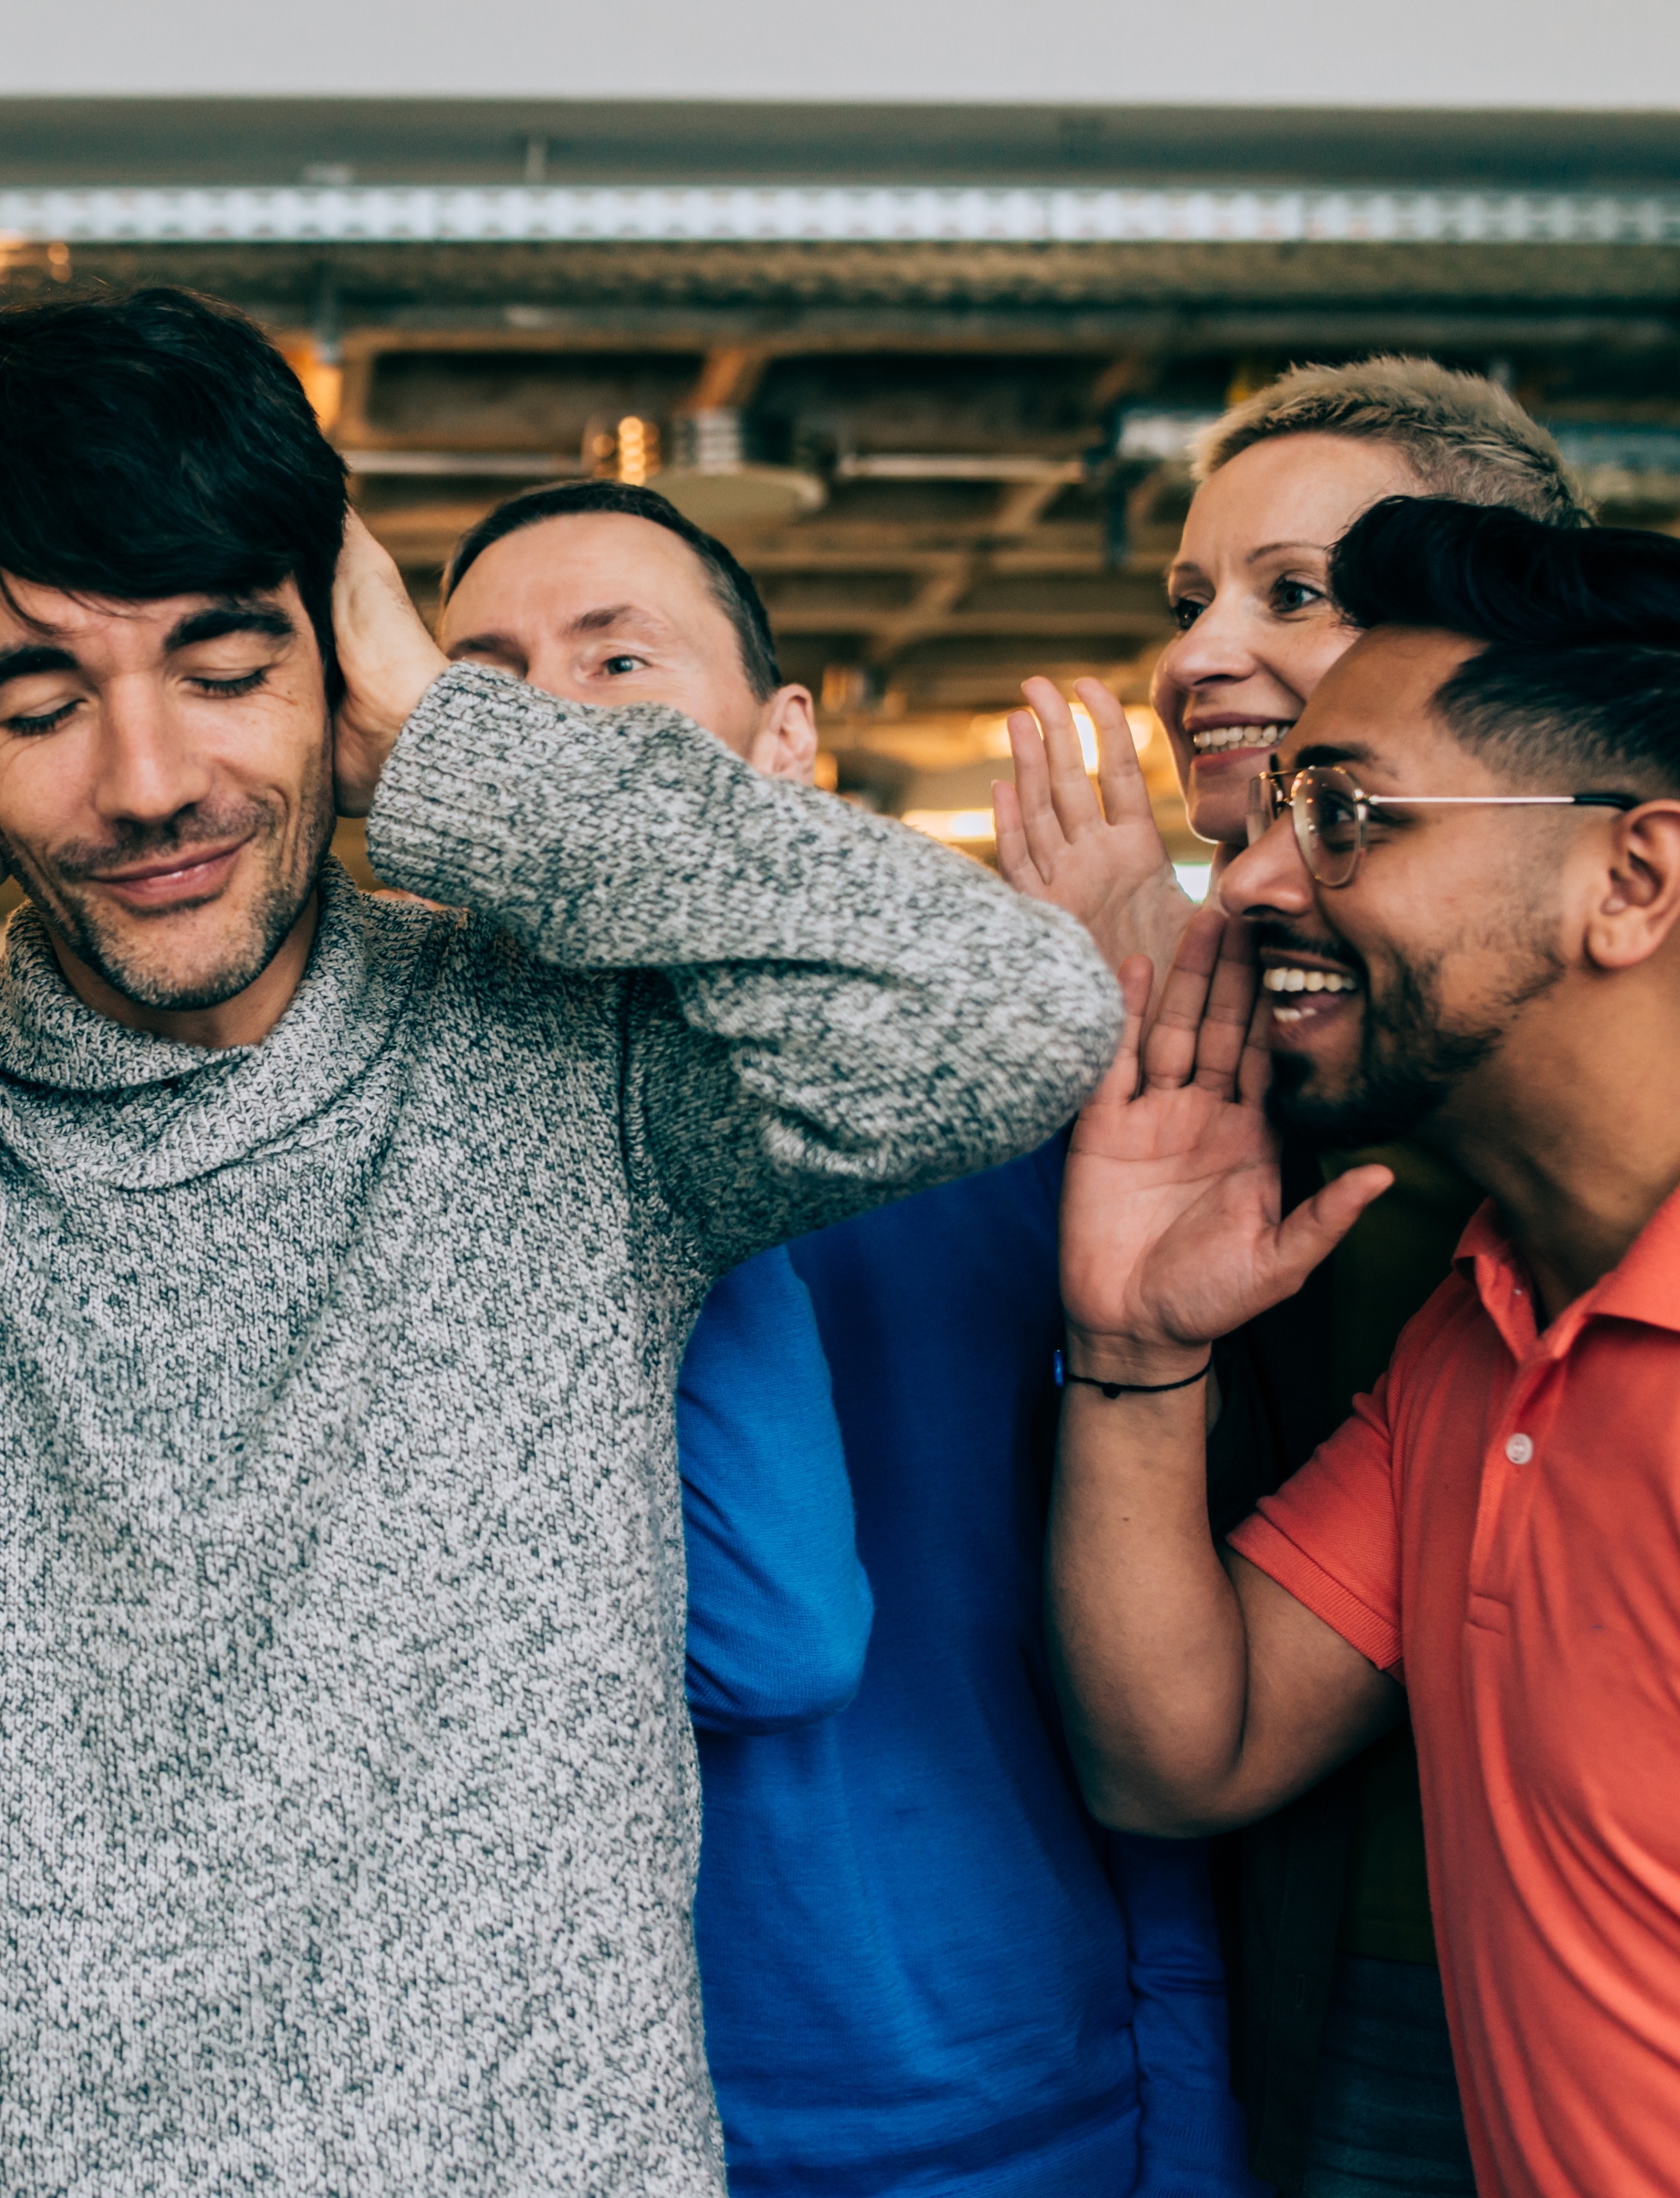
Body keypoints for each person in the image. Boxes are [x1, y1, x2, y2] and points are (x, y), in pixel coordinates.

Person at [0, 284, 1121, 2192]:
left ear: (337, 654)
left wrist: (450, 740)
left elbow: (1013, 1019)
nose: (142, 781)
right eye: (37, 702)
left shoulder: (572, 1060)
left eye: (228, 665)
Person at [445, 476, 1259, 2197]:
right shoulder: (413, 1183)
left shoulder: (1033, 1139)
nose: (549, 727)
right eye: (485, 685)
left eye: (616, 662)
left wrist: (1179, 2124)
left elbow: (1144, 1688)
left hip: (1010, 2098)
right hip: (583, 2127)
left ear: (783, 739)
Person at [1048, 496, 1680, 2198]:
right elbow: (1185, 1749)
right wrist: (1130, 1348)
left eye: (1345, 815)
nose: (1243, 880)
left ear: (1631, 878)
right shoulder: (1486, 1319)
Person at [1000, 360, 1592, 2196]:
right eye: (1185, 602)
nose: (1195, 656)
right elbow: (1188, 1722)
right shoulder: (1227, 1053)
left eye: (1291, 590)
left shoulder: (1628, 1073)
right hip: (1335, 1959)